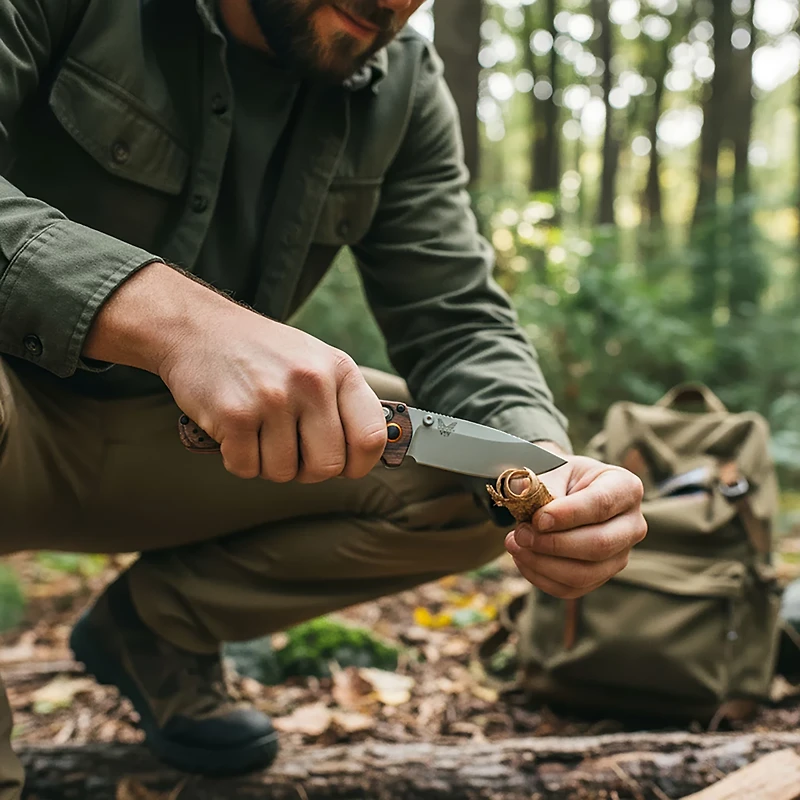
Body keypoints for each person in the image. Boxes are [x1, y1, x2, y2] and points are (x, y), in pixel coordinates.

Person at [0, 0, 647, 793]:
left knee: (463, 485)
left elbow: (454, 318)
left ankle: (153, 634)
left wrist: (544, 473)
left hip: (171, 444)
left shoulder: (398, 84)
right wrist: (173, 320)